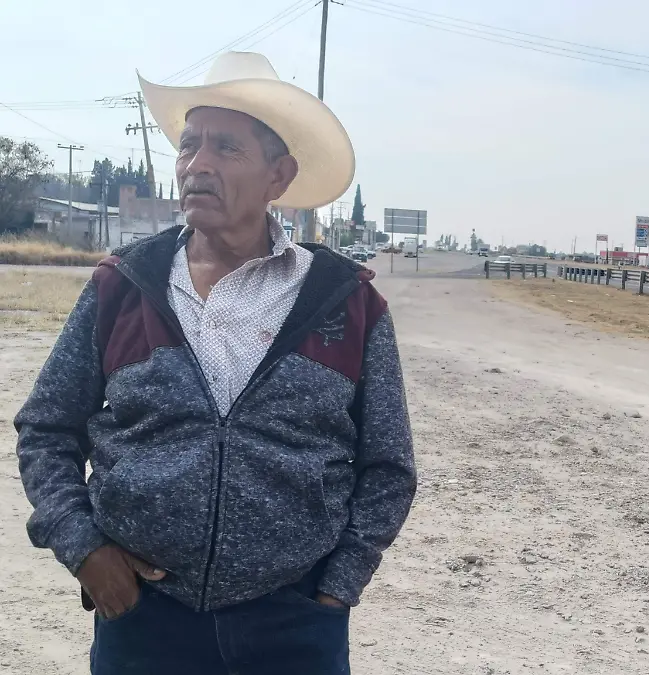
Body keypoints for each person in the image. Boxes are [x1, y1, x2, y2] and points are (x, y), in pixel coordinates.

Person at [15, 51, 416, 675]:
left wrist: (338, 586)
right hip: (143, 621)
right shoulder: (123, 286)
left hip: (296, 627)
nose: (197, 165)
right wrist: (84, 547)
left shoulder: (348, 303)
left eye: (226, 148)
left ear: (278, 176)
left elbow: (388, 466)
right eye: (189, 146)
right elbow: (46, 430)